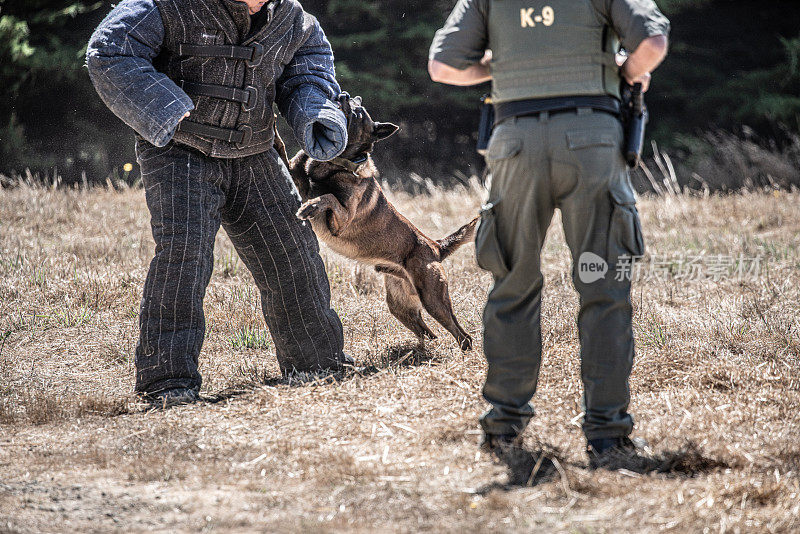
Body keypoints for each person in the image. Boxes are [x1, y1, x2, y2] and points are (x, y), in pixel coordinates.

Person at [428, 0, 669, 460]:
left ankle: (503, 428)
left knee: (512, 286)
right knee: (604, 289)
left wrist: (501, 66)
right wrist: (622, 72)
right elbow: (653, 43)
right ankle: (606, 434)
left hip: (515, 143)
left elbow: (442, 66)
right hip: (593, 140)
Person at [87, 0, 352, 407]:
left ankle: (319, 366)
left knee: (293, 254)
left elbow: (307, 72)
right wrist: (168, 110)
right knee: (184, 257)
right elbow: (110, 50)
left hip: (255, 151)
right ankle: (167, 384)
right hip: (180, 151)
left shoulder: (293, 20)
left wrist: (316, 115)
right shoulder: (168, 6)